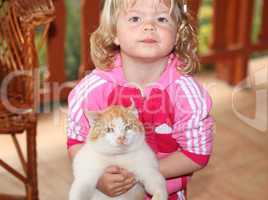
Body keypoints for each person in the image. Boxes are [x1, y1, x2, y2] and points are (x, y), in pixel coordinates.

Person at [67, 0, 214, 199]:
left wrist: (140, 172)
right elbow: (76, 139)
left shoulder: (187, 94)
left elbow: (197, 154)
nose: (149, 26)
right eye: (135, 18)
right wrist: (96, 176)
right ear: (114, 33)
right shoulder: (91, 91)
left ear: (177, 34)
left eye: (162, 19)